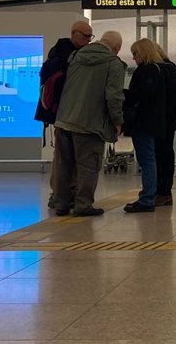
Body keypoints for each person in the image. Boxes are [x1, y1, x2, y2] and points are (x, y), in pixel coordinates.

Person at [52, 30, 125, 216]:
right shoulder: (113, 62)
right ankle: (83, 205)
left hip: (64, 119)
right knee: (88, 166)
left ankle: (61, 204)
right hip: (90, 124)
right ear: (116, 47)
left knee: (63, 165)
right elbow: (114, 96)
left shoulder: (76, 56)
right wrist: (117, 121)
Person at [36, 20, 94, 209]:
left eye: (90, 37)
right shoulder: (67, 56)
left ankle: (62, 195)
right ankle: (63, 194)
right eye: (85, 36)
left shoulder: (58, 53)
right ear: (74, 33)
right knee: (66, 156)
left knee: (64, 156)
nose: (88, 40)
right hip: (65, 113)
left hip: (62, 112)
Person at [123, 38, 167, 213]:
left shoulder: (147, 71)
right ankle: (148, 196)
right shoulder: (158, 69)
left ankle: (147, 198)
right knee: (149, 158)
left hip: (143, 122)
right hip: (152, 121)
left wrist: (124, 94)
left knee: (147, 159)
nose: (134, 57)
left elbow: (141, 96)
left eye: (136, 53)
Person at [153, 42, 176, 206]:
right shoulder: (172, 69)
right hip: (170, 118)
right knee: (165, 152)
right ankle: (164, 191)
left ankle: (162, 190)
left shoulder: (161, 69)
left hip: (162, 118)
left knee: (161, 153)